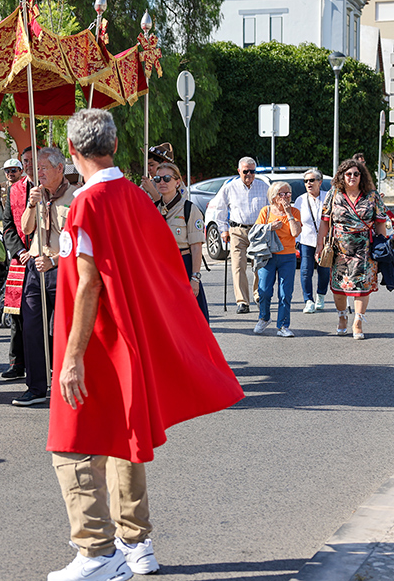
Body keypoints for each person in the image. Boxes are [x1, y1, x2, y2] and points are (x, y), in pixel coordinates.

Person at [47, 109, 244, 581]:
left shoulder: (86, 203)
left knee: (71, 446)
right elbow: (165, 267)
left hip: (93, 340)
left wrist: (71, 356)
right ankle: (136, 543)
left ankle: (96, 551)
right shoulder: (137, 196)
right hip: (124, 339)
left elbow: (89, 283)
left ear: (74, 152)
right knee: (122, 440)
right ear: (114, 146)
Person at [14, 147, 78, 407]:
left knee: (63, 329)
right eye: (35, 168)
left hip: (62, 267)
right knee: (32, 329)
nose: (36, 172)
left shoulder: (75, 196)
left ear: (60, 168)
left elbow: (78, 241)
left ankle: (68, 383)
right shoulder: (36, 195)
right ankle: (36, 386)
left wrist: (54, 261)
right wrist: (31, 204)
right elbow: (26, 228)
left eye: (43, 168)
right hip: (36, 268)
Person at [316, 159, 388, 340]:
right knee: (339, 288)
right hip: (339, 249)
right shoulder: (334, 193)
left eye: (356, 174)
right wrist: (320, 245)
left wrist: (382, 247)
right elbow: (325, 221)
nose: (352, 177)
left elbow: (380, 223)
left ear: (361, 176)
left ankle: (358, 322)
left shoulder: (372, 196)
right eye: (348, 174)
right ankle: (342, 316)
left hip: (365, 249)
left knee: (362, 288)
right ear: (342, 176)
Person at [207, 157, 270, 313]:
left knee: (259, 266)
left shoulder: (264, 186)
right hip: (237, 230)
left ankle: (258, 296)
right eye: (245, 171)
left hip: (258, 231)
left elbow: (270, 208)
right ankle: (242, 301)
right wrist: (223, 230)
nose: (249, 174)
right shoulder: (230, 187)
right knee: (238, 265)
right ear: (239, 171)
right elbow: (220, 209)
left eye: (252, 171)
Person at [153, 162, 209, 322]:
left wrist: (195, 278)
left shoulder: (189, 209)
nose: (161, 182)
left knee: (192, 321)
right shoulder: (153, 209)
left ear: (178, 182)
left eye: (166, 178)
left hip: (183, 266)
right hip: (160, 269)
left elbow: (196, 248)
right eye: (158, 179)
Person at [0, 147, 35, 381]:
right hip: (20, 259)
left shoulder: (56, 188)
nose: (30, 165)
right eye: (26, 161)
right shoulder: (15, 191)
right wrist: (21, 250)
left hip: (47, 259)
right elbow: (8, 225)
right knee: (17, 314)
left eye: (33, 161)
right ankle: (17, 362)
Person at [252, 183, 302, 337]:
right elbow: (255, 231)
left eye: (288, 193)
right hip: (268, 255)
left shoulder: (294, 211)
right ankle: (264, 317)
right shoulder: (265, 211)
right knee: (264, 290)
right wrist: (269, 227)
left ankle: (283, 325)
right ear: (273, 197)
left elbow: (295, 232)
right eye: (282, 194)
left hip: (287, 255)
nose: (286, 196)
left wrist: (288, 213)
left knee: (285, 293)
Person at [293, 168, 330, 314]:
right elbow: (296, 221)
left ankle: (320, 296)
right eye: (306, 181)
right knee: (305, 270)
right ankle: (308, 300)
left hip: (325, 240)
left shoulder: (328, 197)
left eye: (312, 180)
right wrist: (296, 240)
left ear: (319, 182)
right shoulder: (300, 199)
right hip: (306, 240)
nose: (308, 183)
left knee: (324, 270)